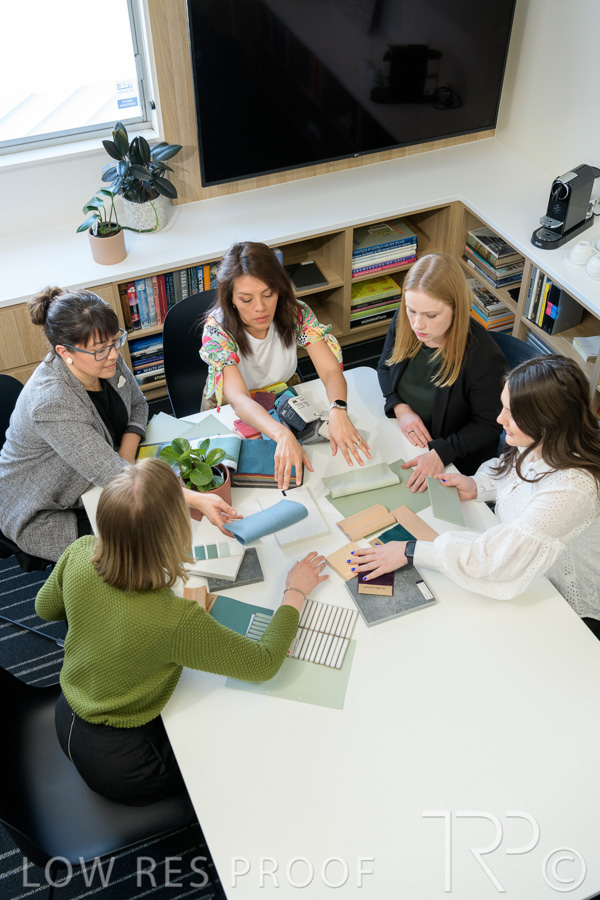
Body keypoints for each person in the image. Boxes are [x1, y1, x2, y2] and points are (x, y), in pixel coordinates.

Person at [35, 457, 328, 805]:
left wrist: (99, 616)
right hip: (124, 764)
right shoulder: (174, 619)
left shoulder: (79, 550)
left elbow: (45, 609)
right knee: (242, 752)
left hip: (66, 713)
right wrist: (295, 592)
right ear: (174, 533)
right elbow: (263, 663)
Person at [356, 355, 600, 634]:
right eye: (503, 406)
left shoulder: (572, 488)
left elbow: (497, 558)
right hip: (532, 576)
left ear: (547, 420)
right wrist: (477, 485)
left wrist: (410, 550)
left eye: (512, 413)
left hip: (563, 601)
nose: (500, 419)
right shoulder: (542, 439)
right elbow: (511, 472)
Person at [0, 287, 238, 564]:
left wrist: (125, 454)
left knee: (170, 520)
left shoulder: (103, 357)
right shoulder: (50, 402)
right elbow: (112, 475)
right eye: (101, 349)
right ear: (64, 352)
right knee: (145, 552)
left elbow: (138, 404)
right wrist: (196, 499)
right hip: (45, 508)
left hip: (102, 472)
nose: (113, 354)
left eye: (115, 341)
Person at [200, 241, 371, 490]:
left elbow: (329, 370)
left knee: (319, 466)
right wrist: (281, 433)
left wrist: (338, 408)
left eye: (268, 294)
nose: (260, 308)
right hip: (231, 404)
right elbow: (238, 398)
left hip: (282, 390)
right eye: (246, 299)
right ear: (231, 299)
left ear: (279, 289)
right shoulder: (217, 328)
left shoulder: (295, 313)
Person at [377, 253, 506, 490]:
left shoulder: (483, 357)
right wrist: (400, 408)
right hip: (405, 437)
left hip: (455, 460)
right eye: (411, 310)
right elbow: (385, 367)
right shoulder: (404, 321)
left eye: (431, 315)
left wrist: (441, 452)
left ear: (456, 309)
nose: (417, 324)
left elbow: (490, 424)